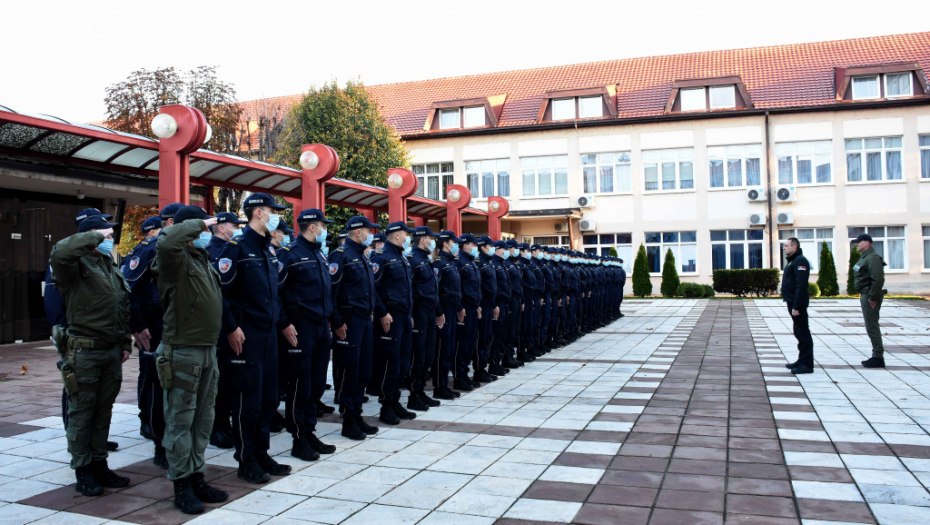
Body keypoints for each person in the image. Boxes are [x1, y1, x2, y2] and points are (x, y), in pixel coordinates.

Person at [50, 214, 131, 497]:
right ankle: (82, 470)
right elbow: (59, 252)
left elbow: (121, 306)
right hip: (84, 351)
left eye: (109, 234)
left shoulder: (109, 265)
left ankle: (99, 464)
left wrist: (124, 341)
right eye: (105, 233)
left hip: (110, 350)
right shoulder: (74, 265)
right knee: (82, 412)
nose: (110, 238)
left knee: (102, 412)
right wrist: (95, 235)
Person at [154, 205, 229, 514]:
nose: (207, 233)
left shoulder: (201, 259)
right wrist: (198, 223)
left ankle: (197, 475)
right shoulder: (175, 260)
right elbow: (166, 242)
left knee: (203, 419)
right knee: (180, 420)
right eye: (203, 229)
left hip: (207, 349)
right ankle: (181, 484)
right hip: (182, 350)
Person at [215, 193, 292, 483]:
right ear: (259, 212)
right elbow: (220, 293)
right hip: (246, 337)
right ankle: (246, 459)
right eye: (273, 210)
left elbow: (273, 295)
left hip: (268, 336)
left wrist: (282, 324)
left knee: (268, 399)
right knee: (247, 401)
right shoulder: (236, 248)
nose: (277, 216)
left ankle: (261, 453)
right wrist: (231, 327)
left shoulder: (267, 249)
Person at [44, 208, 119, 454]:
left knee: (97, 397)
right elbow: (54, 297)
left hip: (101, 340)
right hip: (74, 335)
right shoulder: (70, 260)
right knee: (76, 390)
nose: (108, 235)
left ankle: (95, 442)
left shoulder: (103, 261)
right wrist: (61, 329)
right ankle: (75, 438)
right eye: (103, 229)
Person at [276, 208, 338, 460]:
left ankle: (309, 431)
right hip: (301, 328)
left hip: (321, 327)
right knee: (300, 385)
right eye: (323, 225)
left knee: (316, 383)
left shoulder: (319, 254)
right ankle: (298, 438)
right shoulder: (289, 253)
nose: (325, 229)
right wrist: (284, 323)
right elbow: (276, 291)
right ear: (313, 227)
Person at [121, 215, 167, 469]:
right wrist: (137, 325)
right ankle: (147, 421)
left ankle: (156, 422)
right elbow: (129, 288)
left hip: (164, 323)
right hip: (150, 324)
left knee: (162, 378)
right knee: (151, 376)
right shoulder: (147, 250)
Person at [328, 215, 380, 440]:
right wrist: (337, 322)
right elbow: (331, 292)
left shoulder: (362, 255)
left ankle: (357, 415)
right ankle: (348, 420)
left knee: (363, 372)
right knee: (350, 372)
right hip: (349, 323)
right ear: (358, 232)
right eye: (369, 231)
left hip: (364, 321)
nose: (371, 235)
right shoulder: (341, 255)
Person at [204, 211, 246, 450]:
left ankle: (224, 422)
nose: (238, 229)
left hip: (234, 321)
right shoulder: (212, 252)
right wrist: (230, 325)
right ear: (222, 228)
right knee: (219, 380)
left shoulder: (231, 249)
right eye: (234, 226)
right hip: (221, 325)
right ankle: (216, 427)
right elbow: (220, 294)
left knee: (230, 379)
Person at [370, 222, 417, 424]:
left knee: (403, 362)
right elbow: (372, 288)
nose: (408, 238)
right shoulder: (381, 257)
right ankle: (386, 405)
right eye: (406, 234)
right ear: (397, 235)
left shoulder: (402, 257)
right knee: (390, 363)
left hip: (403, 316)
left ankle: (395, 401)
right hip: (390, 318)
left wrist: (409, 313)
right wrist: (382, 312)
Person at [406, 226, 443, 411]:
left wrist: (438, 311)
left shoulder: (425, 259)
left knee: (429, 354)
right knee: (418, 356)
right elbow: (409, 290)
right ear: (422, 240)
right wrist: (411, 314)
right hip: (419, 313)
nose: (433, 242)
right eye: (431, 238)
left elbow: (433, 289)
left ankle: (420, 391)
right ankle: (413, 394)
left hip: (429, 312)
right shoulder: (413, 260)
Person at [453, 234, 483, 391]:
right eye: (474, 245)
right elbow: (458, 287)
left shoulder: (471, 262)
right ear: (465, 246)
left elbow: (475, 287)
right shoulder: (460, 262)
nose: (476, 248)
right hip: (464, 308)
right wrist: (460, 307)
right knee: (463, 344)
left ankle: (464, 374)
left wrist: (478, 305)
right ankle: (459, 377)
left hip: (473, 307)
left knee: (471, 343)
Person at [853, 233, 887, 368]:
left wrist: (873, 297)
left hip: (870, 296)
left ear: (867, 243)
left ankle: (878, 357)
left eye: (859, 242)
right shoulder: (865, 257)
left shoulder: (872, 258)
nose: (856, 244)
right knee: (870, 326)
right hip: (866, 294)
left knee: (872, 326)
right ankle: (877, 355)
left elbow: (878, 279)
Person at [781, 237, 813, 375]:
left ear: (794, 247)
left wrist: (797, 306)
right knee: (798, 331)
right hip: (792, 301)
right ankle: (802, 360)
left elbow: (801, 285)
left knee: (803, 332)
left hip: (797, 304)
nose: (784, 248)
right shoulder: (793, 260)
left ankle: (807, 364)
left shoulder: (800, 261)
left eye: (786, 245)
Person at [475, 236, 504, 379]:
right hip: (482, 304)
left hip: (489, 303)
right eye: (490, 246)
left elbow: (492, 287)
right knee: (482, 337)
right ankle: (479, 369)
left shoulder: (489, 262)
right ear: (483, 247)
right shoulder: (479, 263)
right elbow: (480, 287)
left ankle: (485, 367)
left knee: (488, 336)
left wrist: (493, 305)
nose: (492, 248)